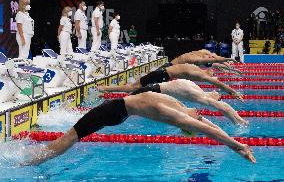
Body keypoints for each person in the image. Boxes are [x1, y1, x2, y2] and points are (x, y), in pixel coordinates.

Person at [25, 92, 256, 165]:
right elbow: (205, 127)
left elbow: (205, 126)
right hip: (116, 112)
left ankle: (32, 160)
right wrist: (238, 146)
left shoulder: (178, 109)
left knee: (71, 137)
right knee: (70, 138)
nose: (199, 117)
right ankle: (31, 161)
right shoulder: (178, 111)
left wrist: (237, 146)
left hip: (115, 110)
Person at [99, 63, 244, 101]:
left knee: (135, 90)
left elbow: (216, 65)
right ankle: (105, 90)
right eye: (214, 75)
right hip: (161, 75)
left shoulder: (199, 68)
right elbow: (218, 83)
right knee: (132, 88)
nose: (214, 76)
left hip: (162, 75)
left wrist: (233, 71)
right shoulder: (200, 75)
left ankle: (106, 91)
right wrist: (233, 92)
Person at [130, 79, 248, 126]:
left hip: (155, 90)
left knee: (127, 100)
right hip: (152, 91)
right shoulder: (198, 94)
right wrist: (238, 121)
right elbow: (222, 107)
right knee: (127, 101)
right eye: (218, 97)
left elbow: (221, 106)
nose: (217, 93)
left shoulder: (196, 89)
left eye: (218, 97)